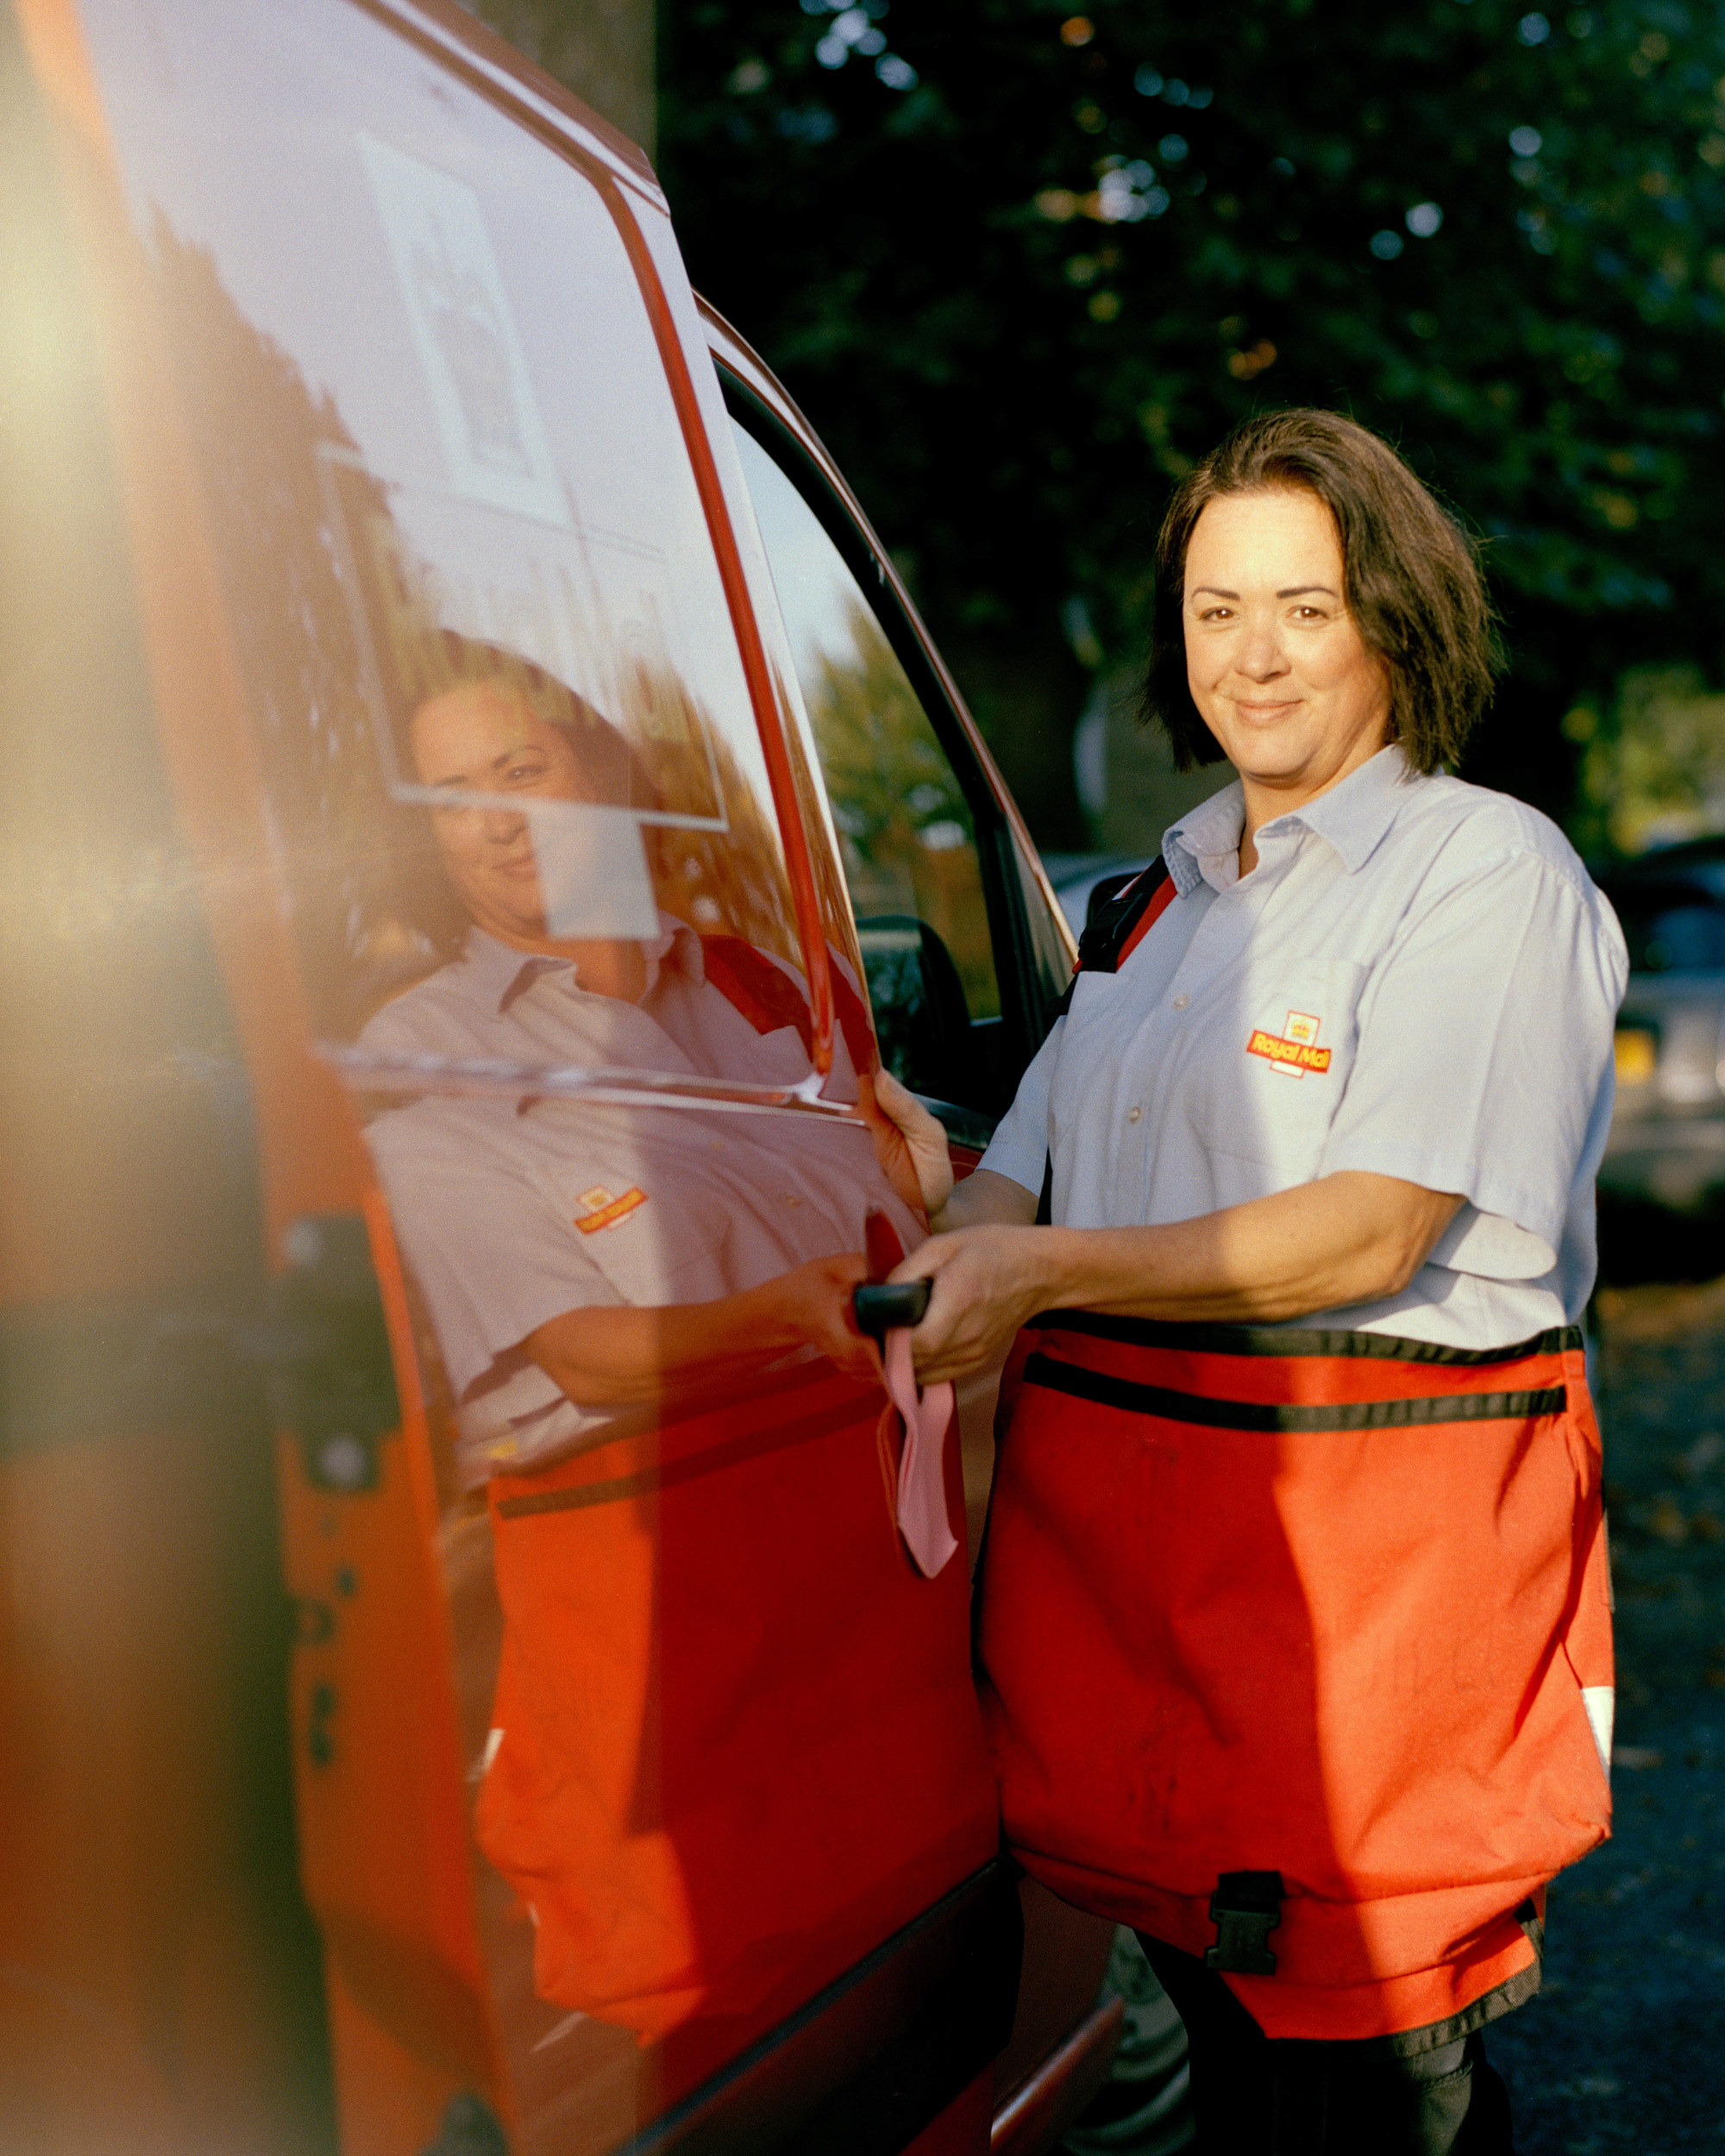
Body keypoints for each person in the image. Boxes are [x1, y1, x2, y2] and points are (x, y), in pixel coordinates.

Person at [875, 411, 1626, 2152]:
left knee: (1378, 2090)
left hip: (1366, 1620)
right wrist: (894, 1161)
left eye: (1305, 604)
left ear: (1396, 619)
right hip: (1146, 1619)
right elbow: (1014, 1174)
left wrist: (1037, 1267)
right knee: (1230, 2059)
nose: (1254, 655)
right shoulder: (1156, 904)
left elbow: (1369, 1230)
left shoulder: (1481, 870)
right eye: (1217, 610)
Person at [355, 643, 919, 1482]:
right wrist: (786, 1316)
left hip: (899, 1506)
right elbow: (577, 1354)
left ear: (602, 775)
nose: (498, 821)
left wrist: (921, 1194)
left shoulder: (769, 985)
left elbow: (894, 1218)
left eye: (519, 771)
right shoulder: (417, 1055)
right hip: (677, 1553)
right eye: (453, 800)